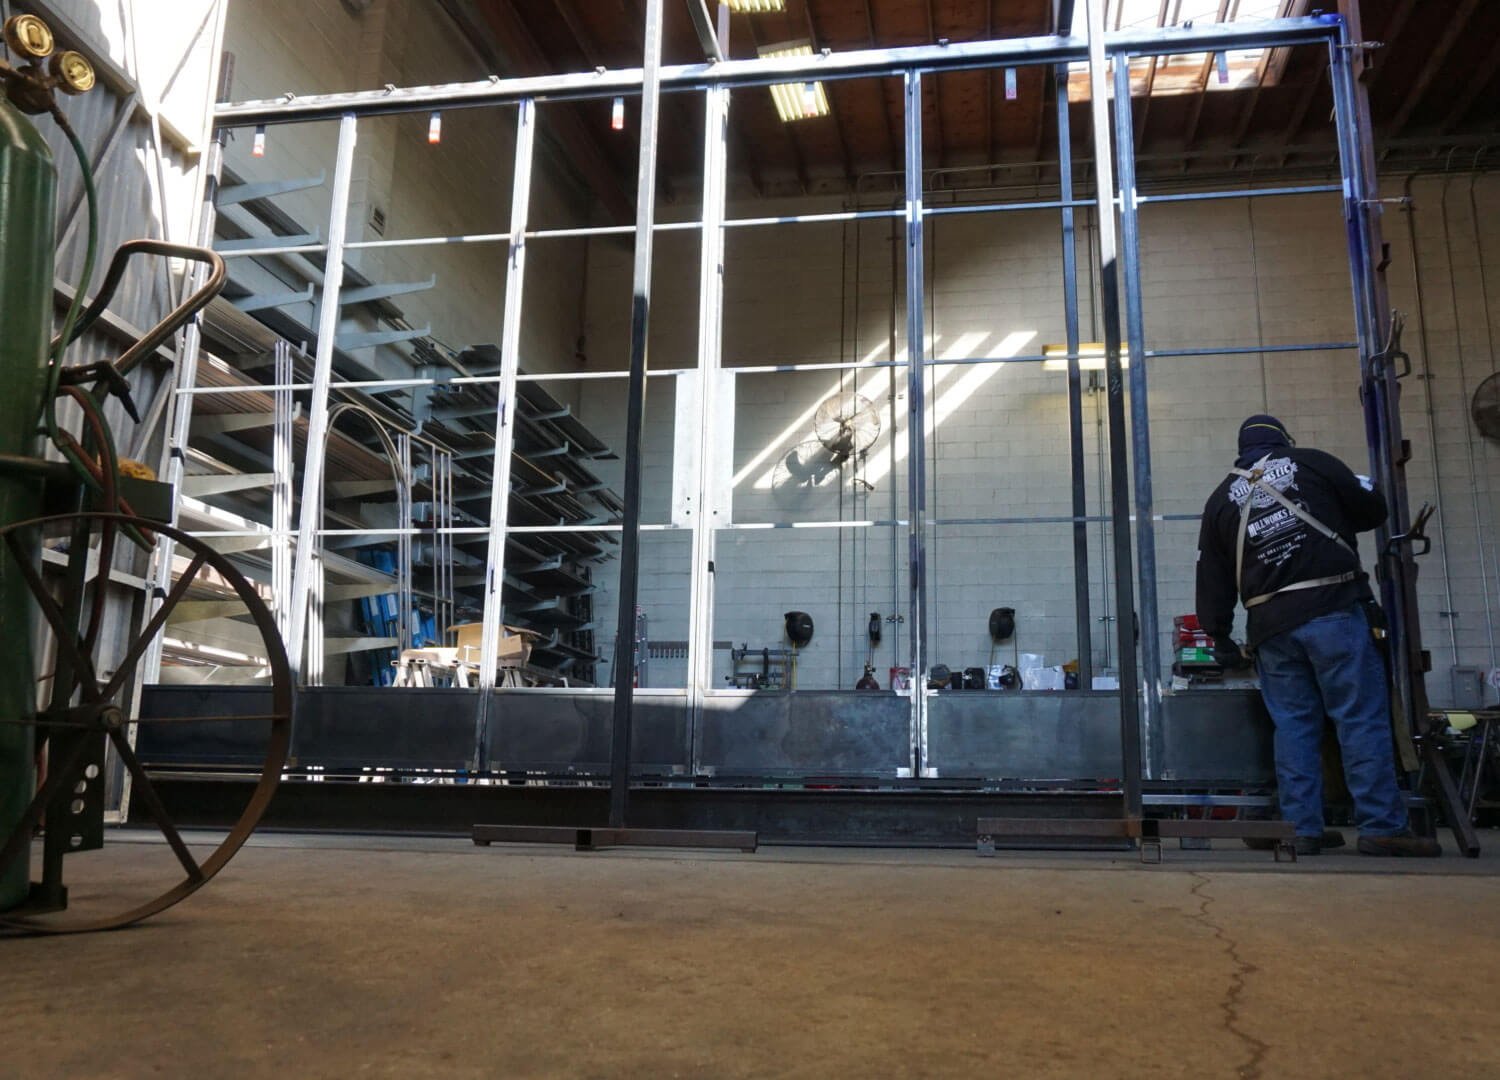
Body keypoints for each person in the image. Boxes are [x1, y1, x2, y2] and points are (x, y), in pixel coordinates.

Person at [1195, 415, 1440, 857]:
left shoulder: (1219, 501)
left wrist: (1220, 636)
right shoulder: (1311, 462)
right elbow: (1372, 510)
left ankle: (1300, 828)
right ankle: (1382, 826)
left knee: (1293, 728)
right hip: (1332, 610)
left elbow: (1211, 577)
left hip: (1270, 626)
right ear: (1284, 441)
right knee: (1359, 719)